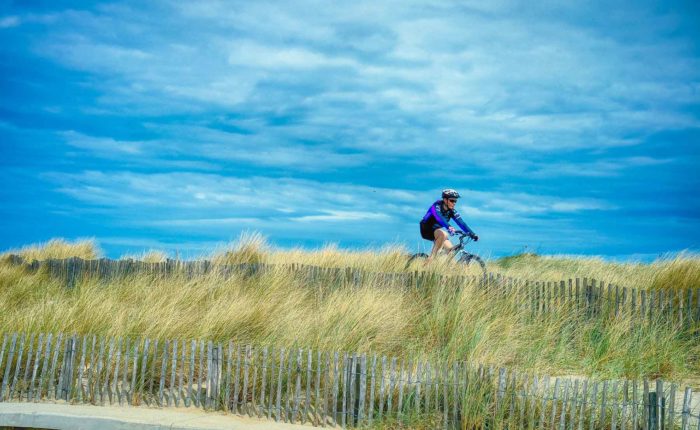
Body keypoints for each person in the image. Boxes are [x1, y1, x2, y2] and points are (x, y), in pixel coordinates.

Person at [420, 189, 478, 260]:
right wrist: (449, 227)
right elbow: (439, 217)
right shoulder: (436, 206)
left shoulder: (452, 211)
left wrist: (472, 234)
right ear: (445, 200)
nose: (454, 203)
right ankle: (431, 259)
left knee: (451, 251)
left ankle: (444, 267)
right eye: (452, 200)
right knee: (444, 234)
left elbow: (461, 223)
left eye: (455, 201)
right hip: (426, 229)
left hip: (437, 231)